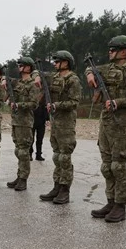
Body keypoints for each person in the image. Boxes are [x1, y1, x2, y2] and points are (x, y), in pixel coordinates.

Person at [86, 36, 126, 222]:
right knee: (106, 166)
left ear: (124, 51)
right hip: (106, 122)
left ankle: (121, 206)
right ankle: (110, 201)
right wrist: (89, 74)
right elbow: (91, 68)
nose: (109, 52)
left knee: (118, 166)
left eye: (113, 49)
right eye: (110, 49)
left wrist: (118, 102)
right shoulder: (108, 68)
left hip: (120, 123)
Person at [39, 51, 82, 204]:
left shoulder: (73, 79)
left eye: (58, 61)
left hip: (66, 123)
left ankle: (65, 190)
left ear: (67, 62)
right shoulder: (55, 78)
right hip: (56, 122)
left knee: (64, 157)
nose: (55, 63)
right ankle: (56, 186)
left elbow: (74, 102)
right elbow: (41, 76)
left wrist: (56, 105)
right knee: (57, 156)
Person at [6, 57, 40, 191]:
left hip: (25, 122)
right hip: (16, 121)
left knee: (24, 152)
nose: (19, 66)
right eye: (19, 64)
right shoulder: (18, 83)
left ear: (29, 67)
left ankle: (24, 179)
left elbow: (34, 104)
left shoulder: (32, 84)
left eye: (22, 65)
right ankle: (19, 176)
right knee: (18, 150)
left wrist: (18, 105)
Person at [30, 96, 49, 161]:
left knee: (40, 140)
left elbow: (46, 108)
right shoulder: (32, 96)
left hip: (41, 121)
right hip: (32, 120)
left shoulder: (44, 97)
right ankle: (30, 154)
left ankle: (38, 154)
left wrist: (47, 119)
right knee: (31, 139)